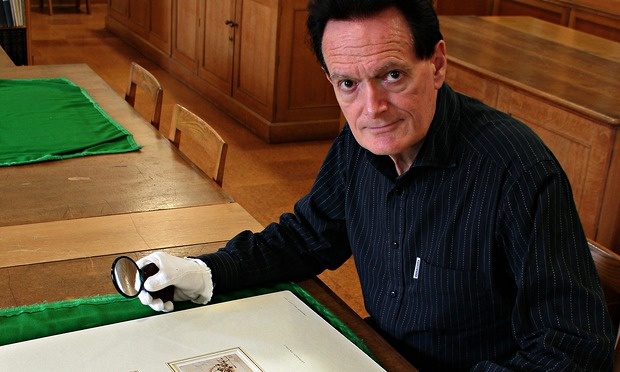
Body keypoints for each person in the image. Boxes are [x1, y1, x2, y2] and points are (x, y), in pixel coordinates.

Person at [135, 0, 615, 370]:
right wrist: (208, 272)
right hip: (376, 354)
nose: (372, 108)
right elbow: (307, 238)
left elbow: (573, 345)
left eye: (392, 75)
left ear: (438, 64)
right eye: (348, 84)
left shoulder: (517, 170)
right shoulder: (358, 145)